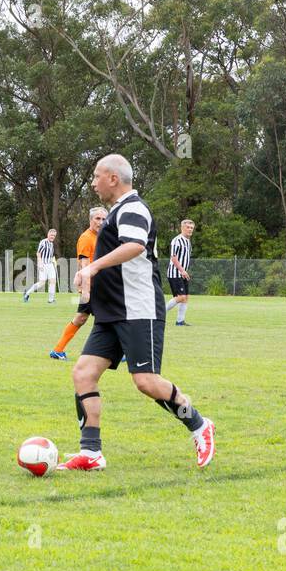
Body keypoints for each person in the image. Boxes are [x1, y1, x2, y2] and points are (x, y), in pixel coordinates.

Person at [58, 154, 215, 471]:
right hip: (112, 313)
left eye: (97, 175)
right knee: (83, 374)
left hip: (138, 311)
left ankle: (199, 425)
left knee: (145, 381)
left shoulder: (133, 207)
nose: (93, 182)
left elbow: (135, 246)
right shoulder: (117, 211)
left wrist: (92, 268)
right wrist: (90, 282)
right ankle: (91, 452)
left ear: (113, 178)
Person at [50, 208, 106, 360]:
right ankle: (58, 350)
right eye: (97, 219)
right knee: (107, 317)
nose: (100, 222)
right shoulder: (86, 238)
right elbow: (85, 265)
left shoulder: (103, 236)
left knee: (83, 318)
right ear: (90, 220)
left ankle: (58, 350)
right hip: (93, 286)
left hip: (103, 285)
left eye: (103, 219)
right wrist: (86, 290)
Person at [165, 219, 195, 325]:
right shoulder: (177, 240)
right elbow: (173, 257)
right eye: (188, 227)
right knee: (180, 297)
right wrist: (182, 270)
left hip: (183, 273)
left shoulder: (188, 241)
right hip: (175, 273)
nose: (190, 229)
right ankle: (160, 313)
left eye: (191, 228)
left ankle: (180, 321)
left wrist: (185, 271)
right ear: (182, 228)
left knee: (185, 297)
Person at [23, 229, 59, 304]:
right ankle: (27, 293)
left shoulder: (51, 244)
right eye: (51, 235)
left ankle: (51, 300)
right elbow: (38, 253)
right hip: (43, 265)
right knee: (42, 283)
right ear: (48, 234)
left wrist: (54, 262)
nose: (53, 237)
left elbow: (52, 255)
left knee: (53, 281)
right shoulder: (43, 242)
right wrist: (40, 263)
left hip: (50, 265)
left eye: (54, 236)